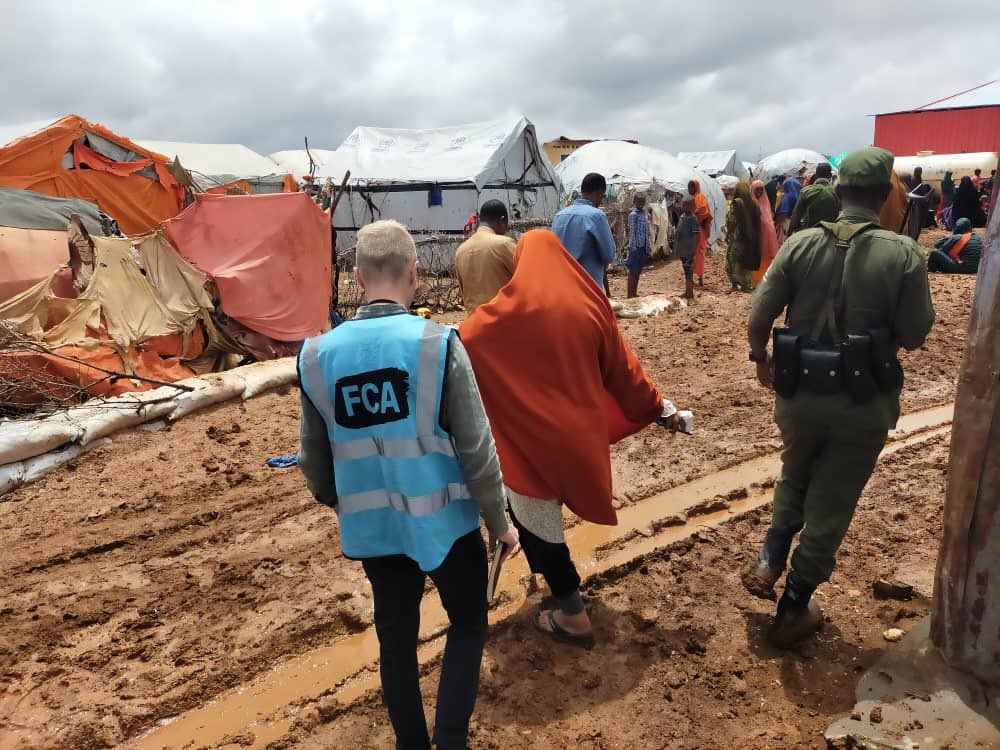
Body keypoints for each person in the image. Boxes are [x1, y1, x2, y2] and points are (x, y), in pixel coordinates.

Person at [297, 219, 519, 750]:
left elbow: (312, 460)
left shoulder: (316, 356)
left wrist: (340, 501)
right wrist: (499, 522)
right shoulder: (438, 345)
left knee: (396, 644)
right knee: (468, 624)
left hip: (375, 531)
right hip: (447, 528)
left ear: (354, 278)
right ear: (415, 274)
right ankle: (450, 742)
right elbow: (478, 449)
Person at [743, 147, 935, 648]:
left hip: (798, 394)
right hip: (862, 403)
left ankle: (769, 560)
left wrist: (760, 360)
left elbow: (759, 317)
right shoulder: (903, 254)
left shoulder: (800, 244)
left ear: (839, 190)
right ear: (882, 195)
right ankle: (793, 610)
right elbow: (916, 335)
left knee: (795, 474)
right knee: (831, 503)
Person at [460, 230, 685, 647]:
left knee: (538, 524)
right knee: (546, 522)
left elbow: (462, 343)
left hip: (530, 442)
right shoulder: (592, 305)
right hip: (580, 439)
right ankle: (557, 590)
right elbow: (626, 373)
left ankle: (573, 614)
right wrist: (659, 407)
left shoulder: (501, 316)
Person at [551, 172, 617, 291]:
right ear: (599, 192)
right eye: (602, 197)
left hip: (561, 285)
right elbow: (609, 255)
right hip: (588, 287)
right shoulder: (597, 216)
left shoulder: (559, 216)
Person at [454, 199, 516, 314]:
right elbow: (525, 280)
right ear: (502, 220)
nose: (504, 231)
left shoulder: (461, 251)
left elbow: (464, 293)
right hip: (502, 322)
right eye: (505, 226)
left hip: (474, 324)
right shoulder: (504, 244)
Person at [724, 181, 761, 292]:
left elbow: (730, 220)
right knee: (745, 261)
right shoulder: (754, 204)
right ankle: (746, 284)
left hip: (736, 239)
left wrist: (728, 233)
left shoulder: (736, 203)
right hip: (749, 239)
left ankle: (734, 284)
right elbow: (758, 222)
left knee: (732, 261)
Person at [788, 163, 839, 235]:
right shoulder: (837, 192)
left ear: (816, 175)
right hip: (831, 235)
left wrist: (789, 234)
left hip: (809, 235)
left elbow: (796, 216)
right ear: (830, 175)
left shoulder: (806, 191)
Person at [751, 179, 779, 287]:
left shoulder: (765, 203)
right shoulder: (752, 204)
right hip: (757, 237)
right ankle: (756, 281)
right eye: (757, 190)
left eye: (761, 190)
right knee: (758, 258)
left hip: (768, 238)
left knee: (767, 259)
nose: (759, 192)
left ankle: (766, 281)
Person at [689, 179, 713, 287]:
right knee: (695, 253)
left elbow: (703, 211)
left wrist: (693, 217)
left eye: (691, 187)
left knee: (698, 253)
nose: (689, 189)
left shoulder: (700, 197)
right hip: (695, 230)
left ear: (696, 187)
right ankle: (695, 277)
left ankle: (699, 278)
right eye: (689, 187)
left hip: (698, 230)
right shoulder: (694, 198)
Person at [626, 193, 651, 298]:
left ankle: (634, 292)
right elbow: (632, 233)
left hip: (642, 246)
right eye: (639, 202)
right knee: (633, 272)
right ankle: (630, 294)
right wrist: (633, 248)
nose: (641, 204)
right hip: (635, 248)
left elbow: (646, 232)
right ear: (634, 202)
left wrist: (647, 246)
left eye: (642, 202)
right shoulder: (633, 215)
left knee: (638, 271)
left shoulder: (644, 214)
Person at [676, 197, 700, 299]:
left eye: (688, 205)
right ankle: (688, 291)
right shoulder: (682, 217)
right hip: (683, 249)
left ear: (693, 207)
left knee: (689, 272)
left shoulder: (693, 218)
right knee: (686, 271)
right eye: (684, 205)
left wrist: (693, 250)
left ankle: (689, 293)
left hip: (689, 250)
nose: (686, 207)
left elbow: (696, 235)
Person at [904, 167, 936, 241]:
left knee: (914, 219)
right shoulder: (916, 180)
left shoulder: (915, 179)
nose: (920, 173)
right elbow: (919, 193)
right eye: (919, 171)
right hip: (915, 202)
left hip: (915, 202)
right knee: (915, 219)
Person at [774, 176, 802, 245]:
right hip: (796, 225)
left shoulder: (787, 197)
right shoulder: (800, 197)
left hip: (786, 225)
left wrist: (775, 224)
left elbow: (783, 214)